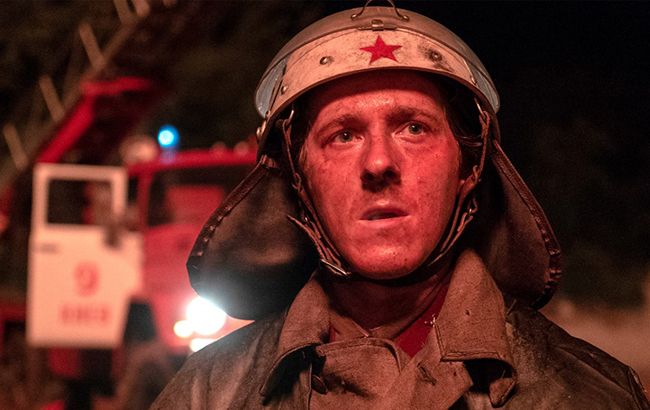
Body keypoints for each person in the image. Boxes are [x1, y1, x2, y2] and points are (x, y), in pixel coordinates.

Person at [152, 5, 649, 409]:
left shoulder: (588, 395)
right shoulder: (208, 394)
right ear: (300, 181)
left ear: (468, 168)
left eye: (414, 127)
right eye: (343, 135)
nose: (379, 163)